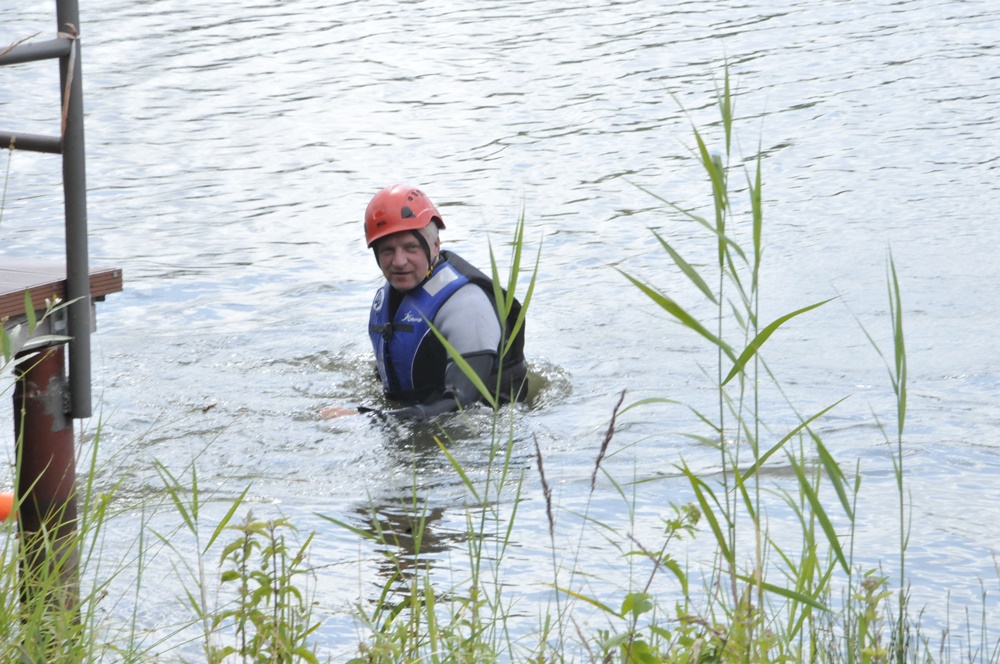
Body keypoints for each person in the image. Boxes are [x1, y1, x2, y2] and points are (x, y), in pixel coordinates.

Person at [321, 184, 528, 420]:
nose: (399, 261)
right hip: (417, 413)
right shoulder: (392, 298)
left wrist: (367, 416)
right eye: (387, 250)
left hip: (481, 431)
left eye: (410, 248)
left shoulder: (468, 307)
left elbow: (462, 405)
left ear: (435, 246)